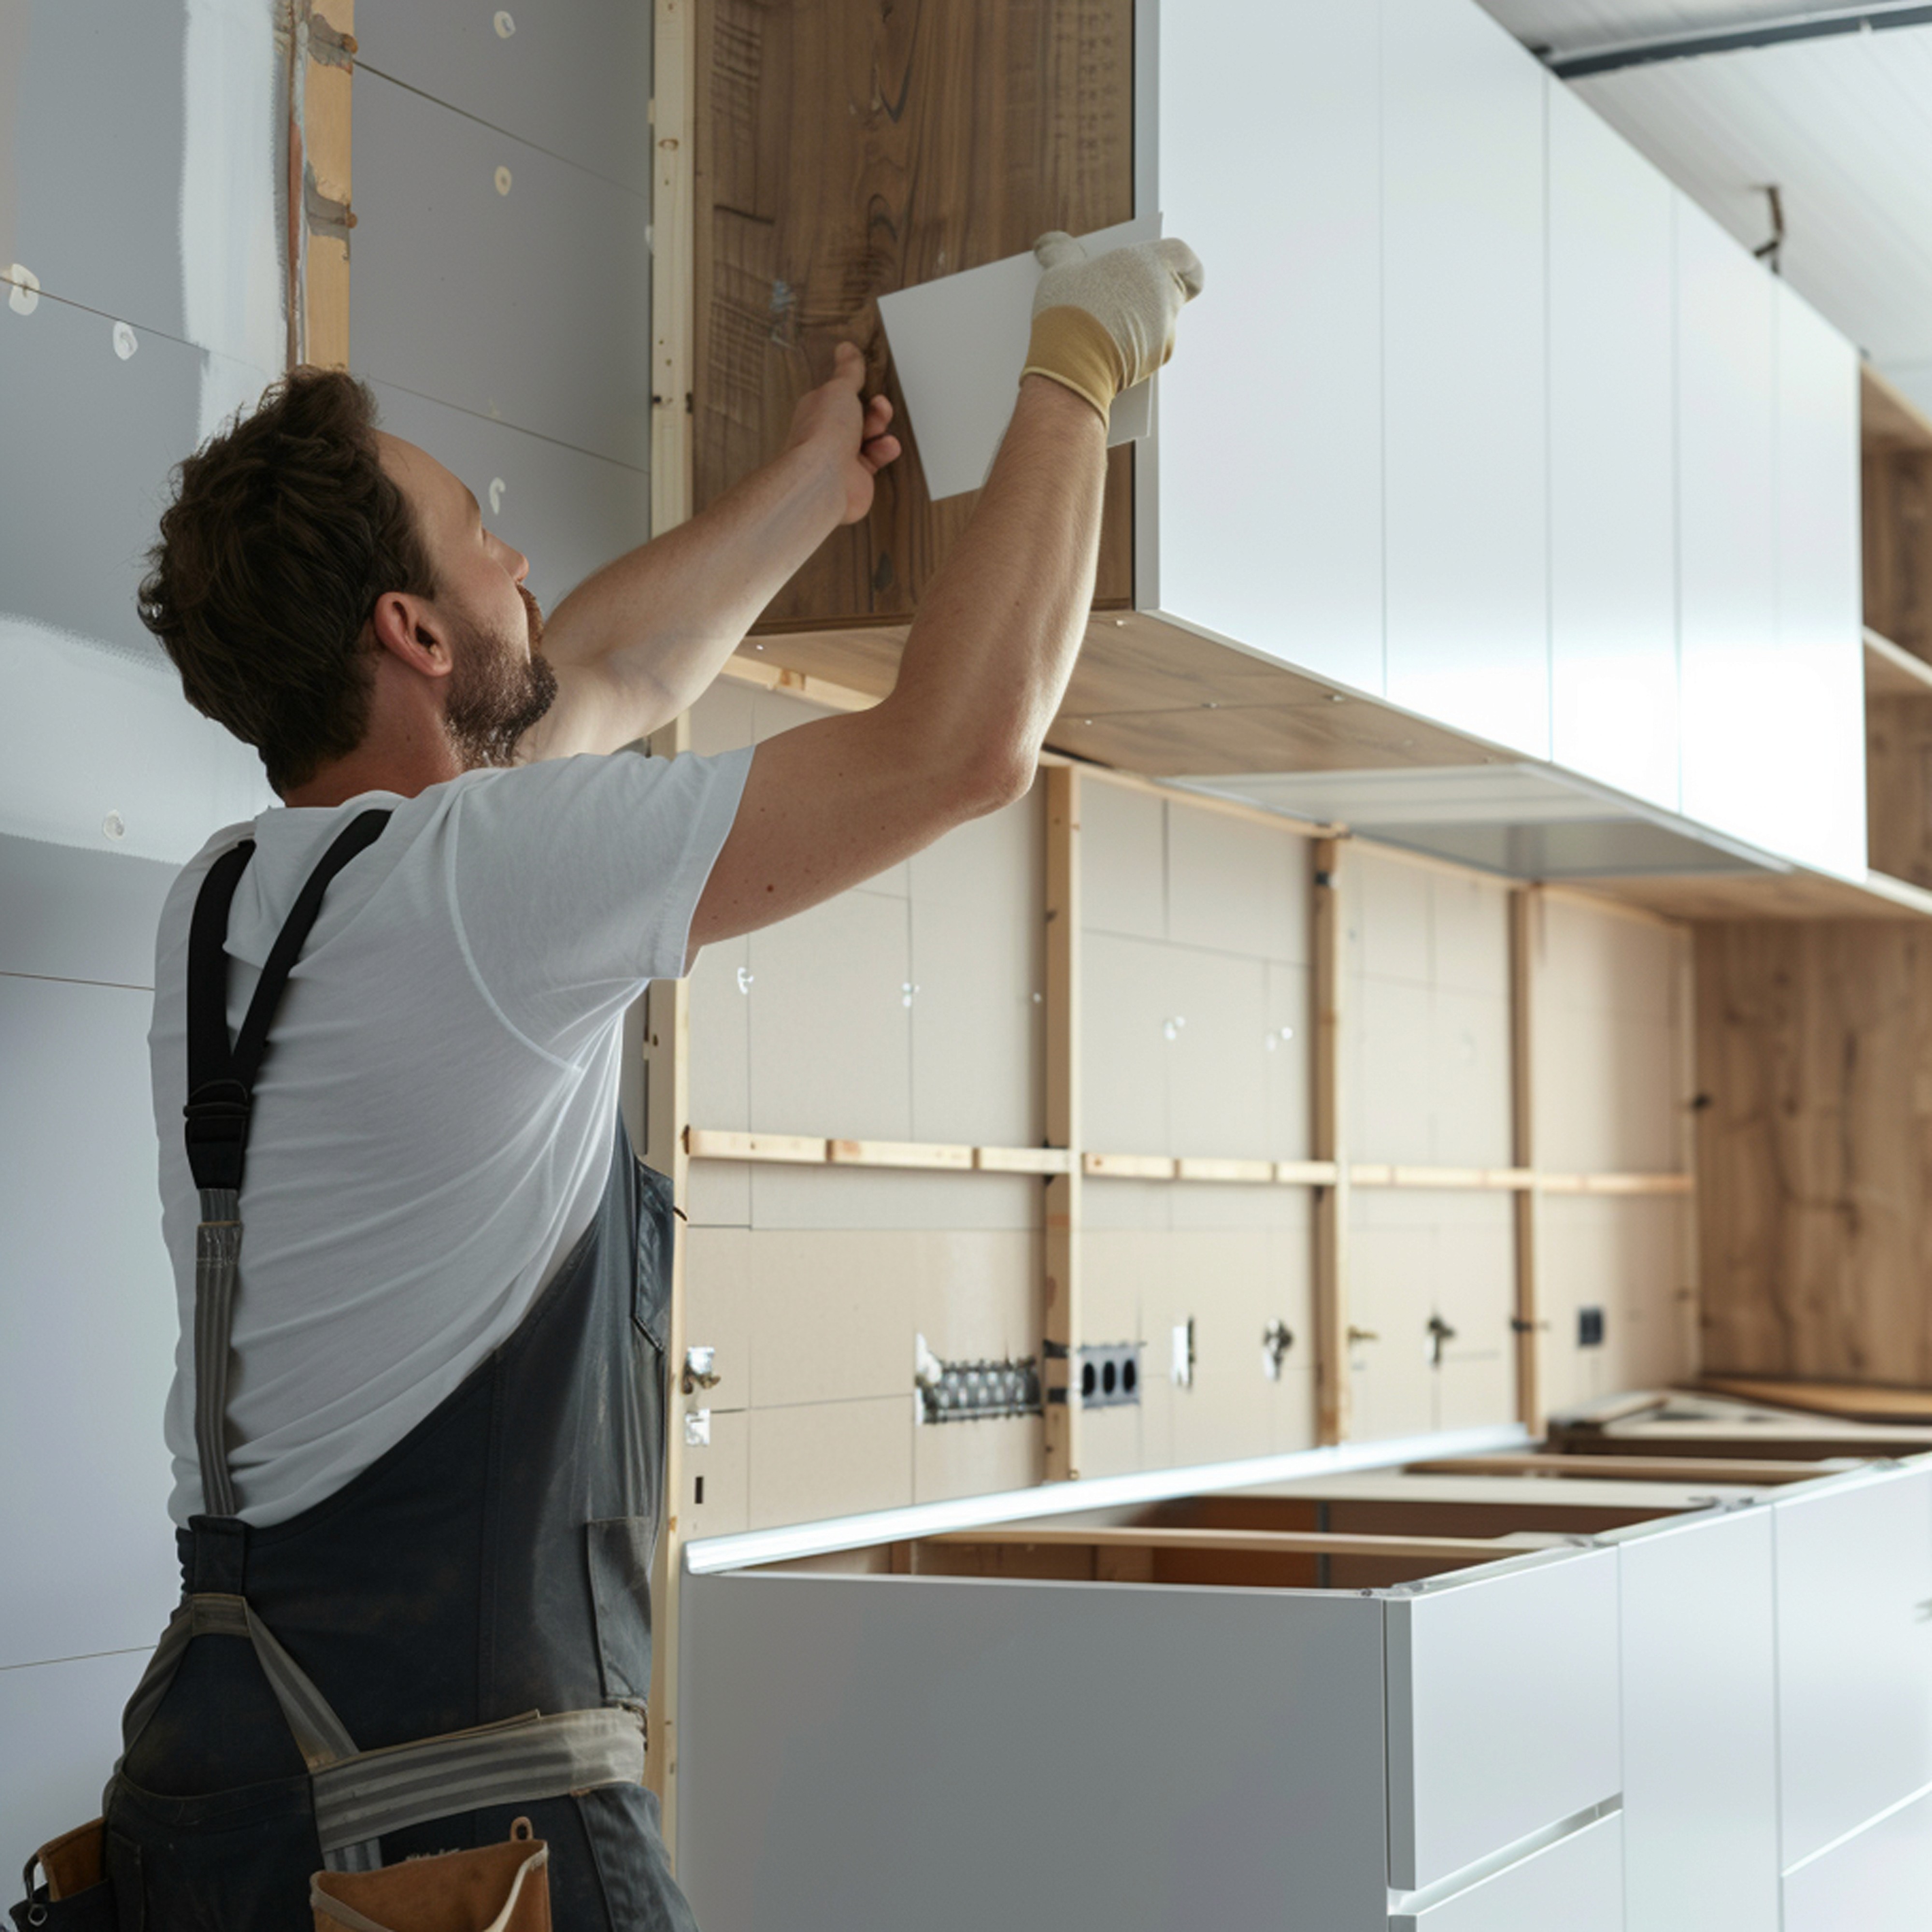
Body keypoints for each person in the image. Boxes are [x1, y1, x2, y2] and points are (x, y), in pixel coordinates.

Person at [73, 230, 1201, 1927]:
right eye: (481, 539)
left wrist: (815, 487)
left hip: (200, 1818)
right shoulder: (480, 886)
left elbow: (605, 679)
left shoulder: (226, 898)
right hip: (454, 1844)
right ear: (410, 630)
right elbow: (960, 747)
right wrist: (1077, 368)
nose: (522, 555)